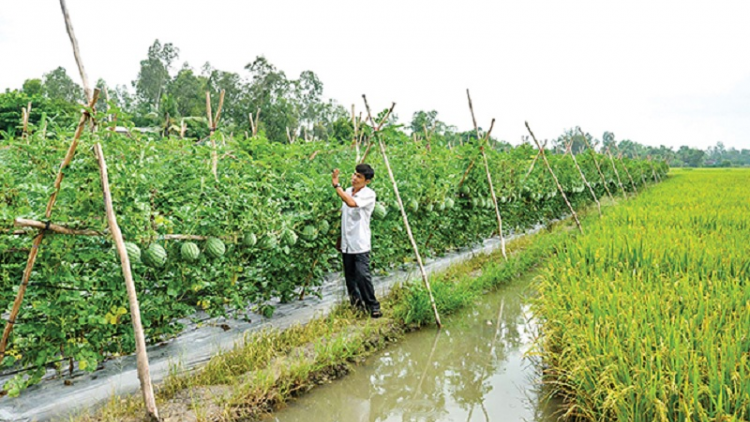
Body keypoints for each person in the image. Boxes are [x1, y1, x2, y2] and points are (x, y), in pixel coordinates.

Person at [332, 164, 382, 318]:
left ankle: (373, 306)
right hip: (347, 243)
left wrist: (336, 185)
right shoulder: (348, 191)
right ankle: (357, 306)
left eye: (359, 176)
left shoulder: (369, 194)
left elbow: (352, 203)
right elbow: (345, 216)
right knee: (350, 277)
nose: (354, 178)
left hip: (360, 243)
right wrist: (340, 238)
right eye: (354, 174)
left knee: (362, 275)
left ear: (367, 181)